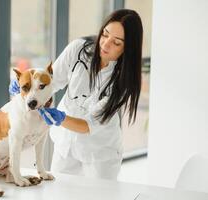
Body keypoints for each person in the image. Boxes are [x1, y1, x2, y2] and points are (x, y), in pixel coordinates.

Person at [10, 9, 143, 180]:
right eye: (105, 34)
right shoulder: (79, 48)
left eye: (116, 43)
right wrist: (27, 88)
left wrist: (61, 118)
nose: (105, 44)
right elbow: (52, 81)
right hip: (65, 146)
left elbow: (89, 125)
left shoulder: (123, 80)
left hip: (99, 153)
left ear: (127, 49)